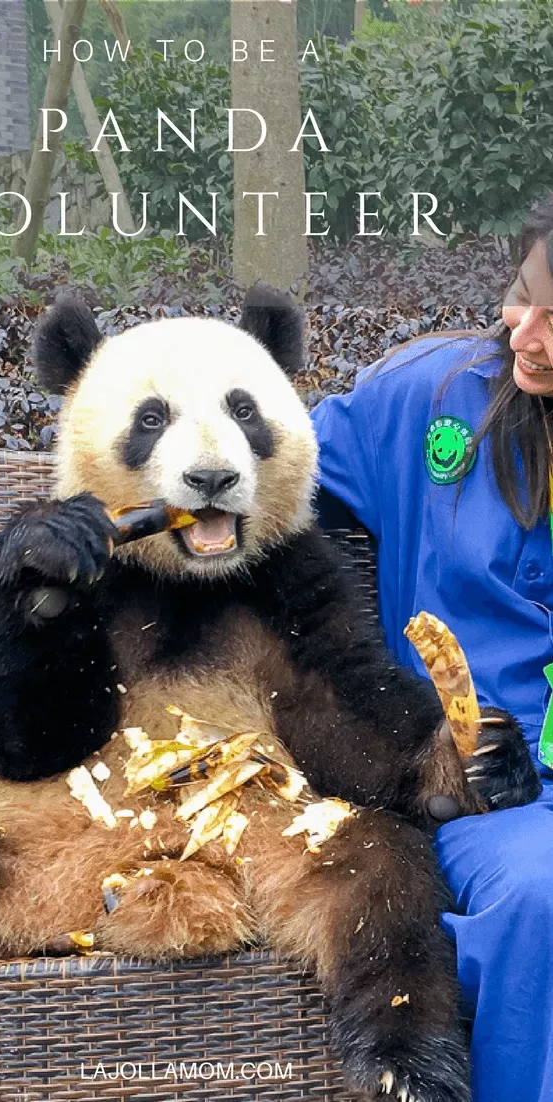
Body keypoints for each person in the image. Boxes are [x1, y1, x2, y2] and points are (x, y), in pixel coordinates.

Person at [309, 193, 553, 1102]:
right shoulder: (430, 392)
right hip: (477, 811)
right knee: (540, 897)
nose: (523, 332)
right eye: (519, 294)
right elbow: (272, 472)